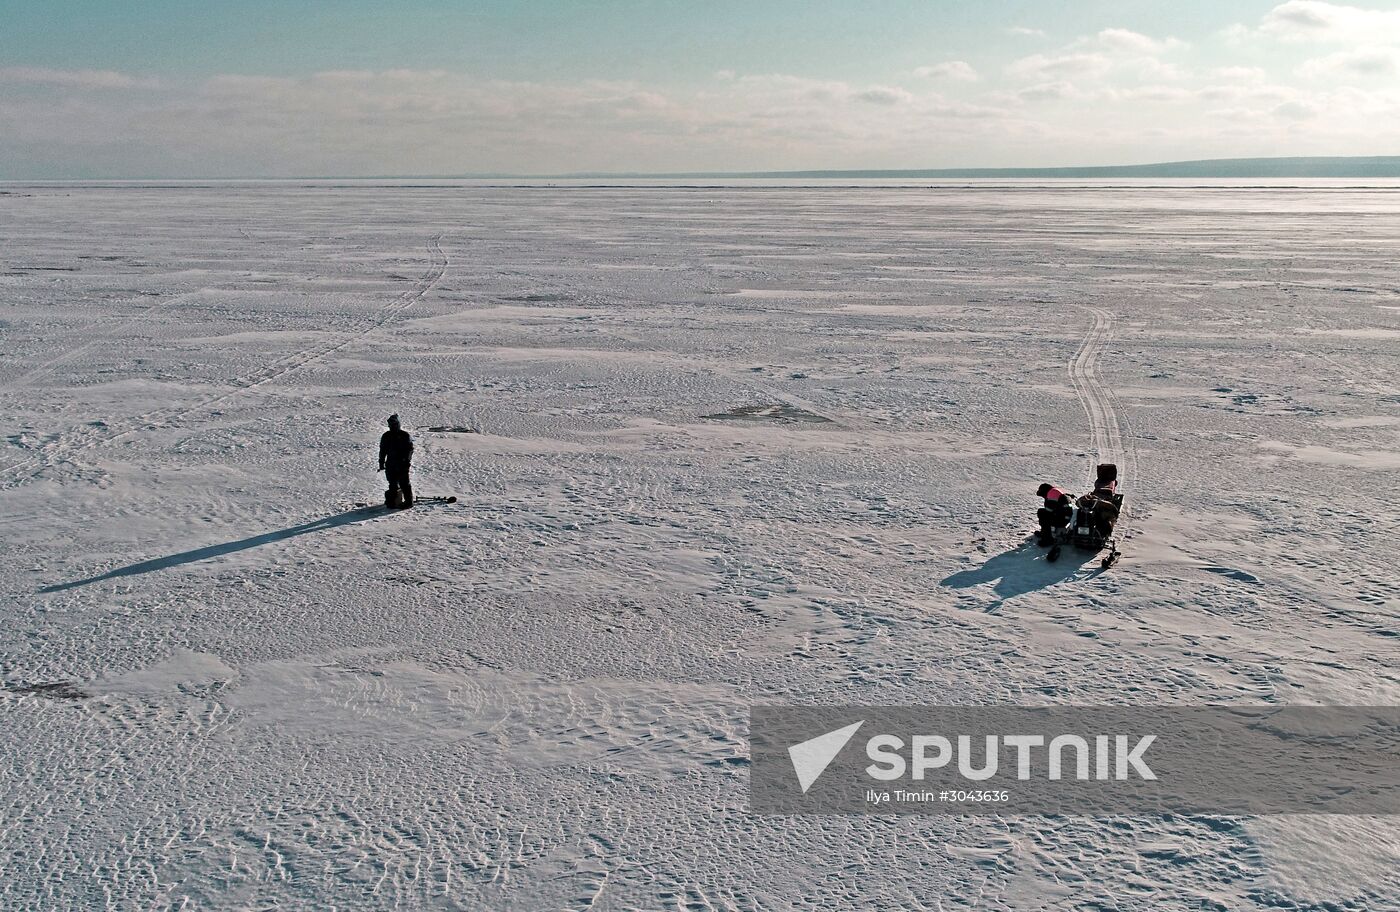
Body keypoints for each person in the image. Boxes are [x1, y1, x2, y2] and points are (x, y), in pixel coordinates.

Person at [379, 414, 414, 508]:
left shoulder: (404, 435)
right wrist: (381, 463)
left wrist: (406, 461)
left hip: (402, 464)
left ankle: (408, 502)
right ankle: (393, 501)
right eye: (390, 425)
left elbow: (410, 450)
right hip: (391, 463)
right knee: (392, 483)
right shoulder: (386, 436)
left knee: (404, 483)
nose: (391, 426)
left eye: (394, 424)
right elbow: (382, 450)